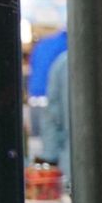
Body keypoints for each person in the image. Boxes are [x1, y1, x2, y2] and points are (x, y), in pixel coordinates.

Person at [41, 50, 70, 189]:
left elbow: (52, 116)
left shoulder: (63, 63)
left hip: (72, 164)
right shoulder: (63, 63)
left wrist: (50, 157)